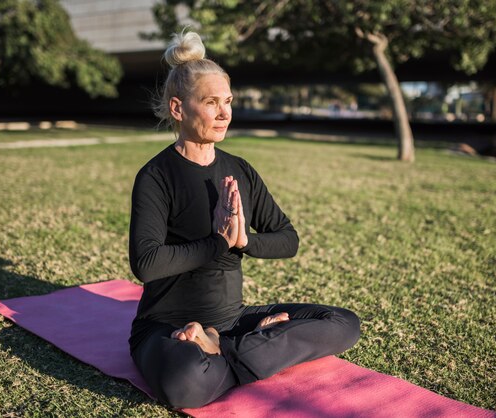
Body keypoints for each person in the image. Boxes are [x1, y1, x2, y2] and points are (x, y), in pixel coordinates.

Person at [128, 31, 360, 409]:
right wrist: (218, 241)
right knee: (182, 384)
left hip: (234, 321)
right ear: (177, 108)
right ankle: (243, 352)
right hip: (168, 329)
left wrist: (244, 242)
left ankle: (226, 348)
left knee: (344, 323)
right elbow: (147, 264)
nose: (225, 114)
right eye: (211, 103)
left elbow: (288, 240)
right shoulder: (156, 176)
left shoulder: (240, 170)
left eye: (228, 102)